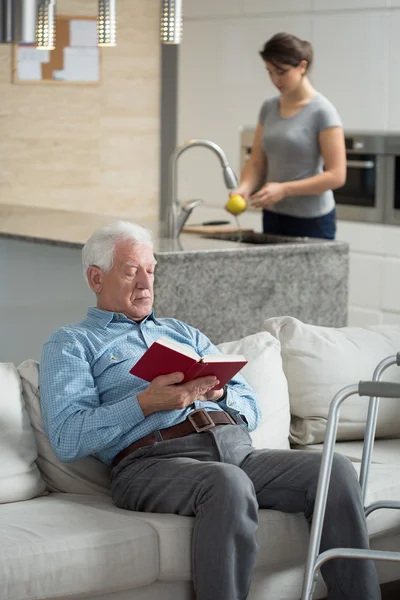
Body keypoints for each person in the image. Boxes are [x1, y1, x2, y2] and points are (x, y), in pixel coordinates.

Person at [39, 220, 380, 600]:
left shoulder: (183, 333)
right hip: (151, 463)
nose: (145, 284)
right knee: (227, 484)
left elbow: (250, 407)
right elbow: (69, 436)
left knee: (333, 467)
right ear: (96, 278)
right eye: (132, 271)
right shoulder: (73, 343)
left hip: (234, 448)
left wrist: (218, 396)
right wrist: (145, 402)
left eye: (151, 271)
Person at [232, 32, 346, 240]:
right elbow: (257, 162)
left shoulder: (323, 111)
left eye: (281, 72)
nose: (275, 79)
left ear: (302, 67)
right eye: (269, 72)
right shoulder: (269, 107)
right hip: (273, 214)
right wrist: (243, 189)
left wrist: (284, 190)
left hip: (313, 220)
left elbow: (337, 175)